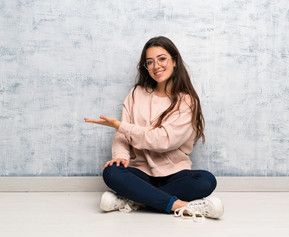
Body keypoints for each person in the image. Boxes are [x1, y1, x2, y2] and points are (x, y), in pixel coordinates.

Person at [84, 36, 224, 221]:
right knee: (112, 172)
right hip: (140, 173)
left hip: (175, 174)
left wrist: (120, 126)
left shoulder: (187, 101)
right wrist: (121, 157)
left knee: (206, 180)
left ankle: (133, 200)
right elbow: (121, 137)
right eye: (149, 62)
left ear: (174, 61)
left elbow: (162, 140)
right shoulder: (136, 94)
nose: (156, 66)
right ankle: (183, 207)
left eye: (162, 59)